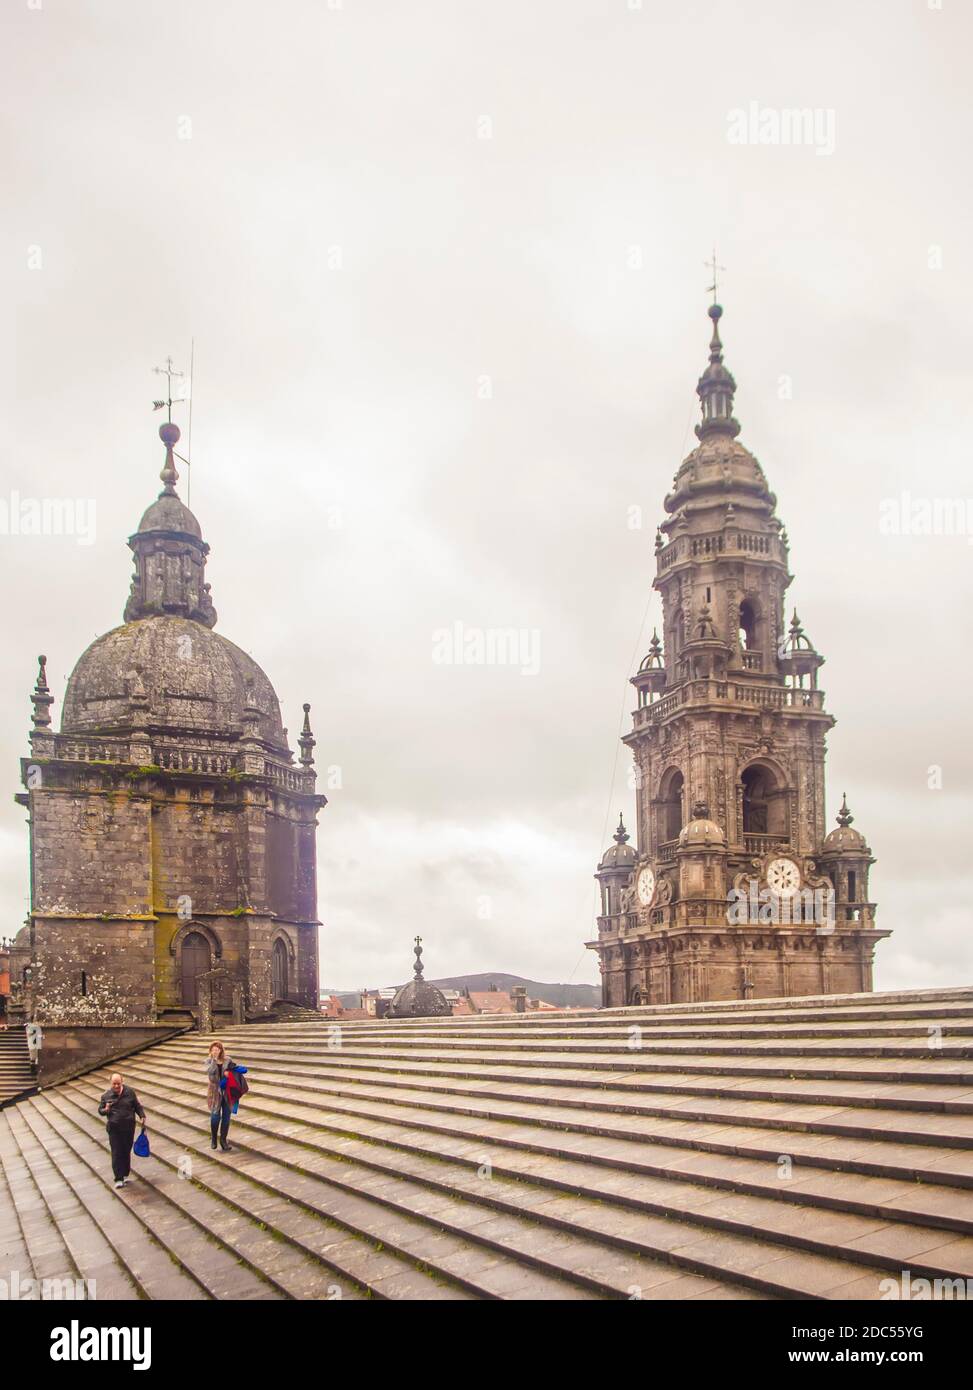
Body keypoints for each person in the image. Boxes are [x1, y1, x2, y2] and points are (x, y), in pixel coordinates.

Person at [97, 1072, 146, 1189]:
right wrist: (106, 1109)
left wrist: (142, 1115)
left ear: (122, 1082)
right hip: (114, 1128)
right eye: (114, 1084)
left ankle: (124, 1174)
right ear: (110, 1083)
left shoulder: (129, 1092)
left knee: (126, 1150)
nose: (116, 1086)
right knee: (116, 1152)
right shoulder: (106, 1096)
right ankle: (118, 1177)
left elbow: (137, 1105)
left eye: (118, 1083)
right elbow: (100, 1111)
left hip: (128, 1126)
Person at [206, 1041, 236, 1152]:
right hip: (214, 1091)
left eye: (217, 1050)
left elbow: (235, 1070)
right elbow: (210, 1072)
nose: (215, 1051)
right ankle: (214, 1137)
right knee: (215, 1116)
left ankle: (223, 1140)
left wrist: (230, 1074)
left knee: (226, 1117)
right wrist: (214, 1060)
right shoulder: (208, 1061)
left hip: (227, 1091)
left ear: (221, 1050)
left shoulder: (228, 1060)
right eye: (213, 1050)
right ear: (211, 1051)